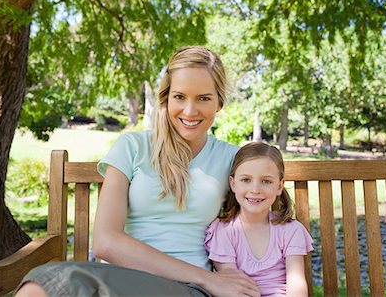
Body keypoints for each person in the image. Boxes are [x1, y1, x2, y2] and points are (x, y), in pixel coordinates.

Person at [15, 46, 260, 297]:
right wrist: (207, 278)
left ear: (219, 101)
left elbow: (264, 229)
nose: (189, 111)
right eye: (179, 97)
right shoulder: (132, 147)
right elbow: (106, 242)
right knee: (40, 287)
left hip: (188, 290)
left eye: (204, 98)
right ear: (165, 98)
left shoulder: (232, 159)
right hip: (123, 281)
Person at [204, 142, 313, 297]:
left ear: (279, 187)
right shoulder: (224, 231)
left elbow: (296, 283)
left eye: (266, 181)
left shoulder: (290, 230)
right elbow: (232, 287)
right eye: (246, 180)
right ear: (233, 184)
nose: (255, 190)